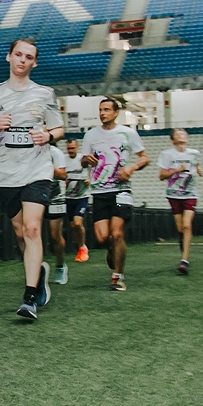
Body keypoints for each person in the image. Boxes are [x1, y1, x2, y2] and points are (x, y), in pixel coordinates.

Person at [0, 38, 64, 320]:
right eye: (19, 55)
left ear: (35, 62)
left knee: (33, 228)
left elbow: (59, 128)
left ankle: (29, 297)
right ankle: (39, 272)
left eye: (29, 57)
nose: (23, 60)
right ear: (9, 57)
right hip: (6, 173)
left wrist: (48, 135)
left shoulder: (45, 94)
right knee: (21, 233)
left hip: (37, 170)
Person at [80, 98, 149, 291]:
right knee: (103, 238)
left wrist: (131, 167)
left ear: (116, 112)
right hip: (99, 191)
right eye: (100, 110)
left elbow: (144, 158)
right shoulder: (91, 134)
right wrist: (87, 159)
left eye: (107, 110)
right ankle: (112, 250)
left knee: (117, 233)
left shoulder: (128, 133)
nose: (102, 113)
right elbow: (82, 161)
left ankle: (118, 277)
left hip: (121, 190)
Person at [158, 129, 202, 274]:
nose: (182, 135)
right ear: (172, 140)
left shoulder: (194, 153)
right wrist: (177, 170)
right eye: (178, 133)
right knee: (180, 228)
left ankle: (184, 260)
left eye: (184, 134)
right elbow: (161, 176)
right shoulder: (166, 154)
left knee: (187, 224)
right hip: (174, 194)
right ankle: (182, 243)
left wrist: (199, 169)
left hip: (190, 193)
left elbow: (196, 165)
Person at [62, 137, 90, 263]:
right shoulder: (63, 159)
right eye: (69, 148)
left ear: (77, 147)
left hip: (81, 197)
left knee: (78, 223)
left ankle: (83, 247)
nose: (70, 151)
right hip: (68, 197)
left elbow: (93, 171)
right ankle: (80, 246)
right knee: (73, 225)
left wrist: (89, 180)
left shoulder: (83, 159)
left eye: (72, 148)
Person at [46, 140, 70, 286]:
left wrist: (48, 166)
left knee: (55, 236)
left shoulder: (55, 152)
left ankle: (60, 266)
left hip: (54, 196)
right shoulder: (29, 151)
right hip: (35, 195)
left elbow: (63, 175)